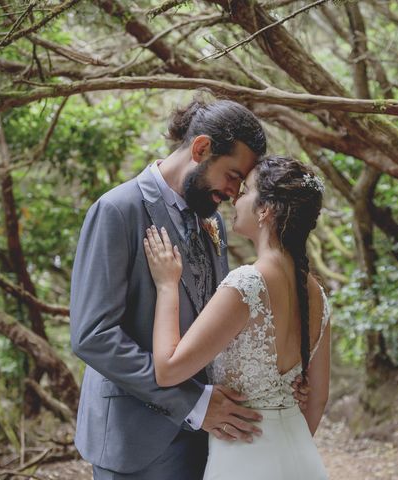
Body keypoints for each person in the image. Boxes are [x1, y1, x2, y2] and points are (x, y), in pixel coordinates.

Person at [70, 99, 274, 480]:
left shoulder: (212, 220)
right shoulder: (117, 210)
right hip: (134, 440)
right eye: (232, 175)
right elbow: (92, 336)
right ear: (200, 149)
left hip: (202, 440)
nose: (233, 192)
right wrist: (193, 403)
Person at [143, 155, 331, 479]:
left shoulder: (247, 284)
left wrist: (167, 286)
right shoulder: (318, 295)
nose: (235, 197)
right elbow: (318, 398)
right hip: (301, 458)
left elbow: (168, 369)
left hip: (246, 459)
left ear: (265, 209)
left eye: (245, 190)